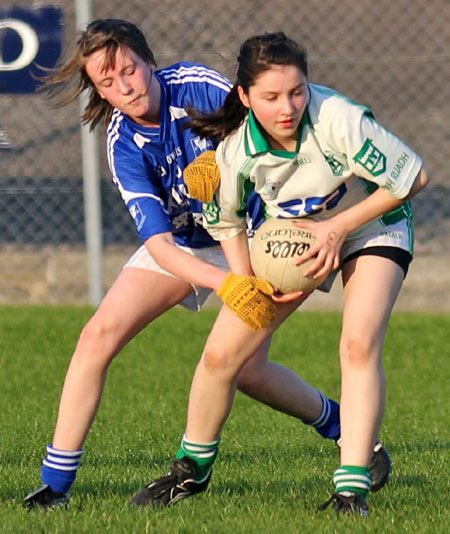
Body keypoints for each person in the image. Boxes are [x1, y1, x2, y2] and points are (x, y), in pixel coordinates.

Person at [21, 19, 383, 511]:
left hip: (259, 233)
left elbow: (264, 123)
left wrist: (225, 161)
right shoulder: (123, 143)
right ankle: (55, 487)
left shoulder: (196, 86)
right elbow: (162, 246)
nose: (124, 86)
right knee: (96, 335)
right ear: (98, 90)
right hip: (190, 247)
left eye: (130, 69)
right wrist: (229, 284)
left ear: (149, 61)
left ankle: (346, 431)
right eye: (108, 81)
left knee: (247, 370)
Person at [133, 32, 429, 516]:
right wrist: (247, 281)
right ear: (245, 97)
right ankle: (191, 470)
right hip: (294, 235)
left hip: (375, 222)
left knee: (357, 343)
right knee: (224, 357)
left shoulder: (337, 118)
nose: (287, 107)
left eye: (296, 91)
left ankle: (350, 490)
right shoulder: (233, 150)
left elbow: (413, 177)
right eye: (270, 97)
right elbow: (226, 220)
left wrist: (336, 230)